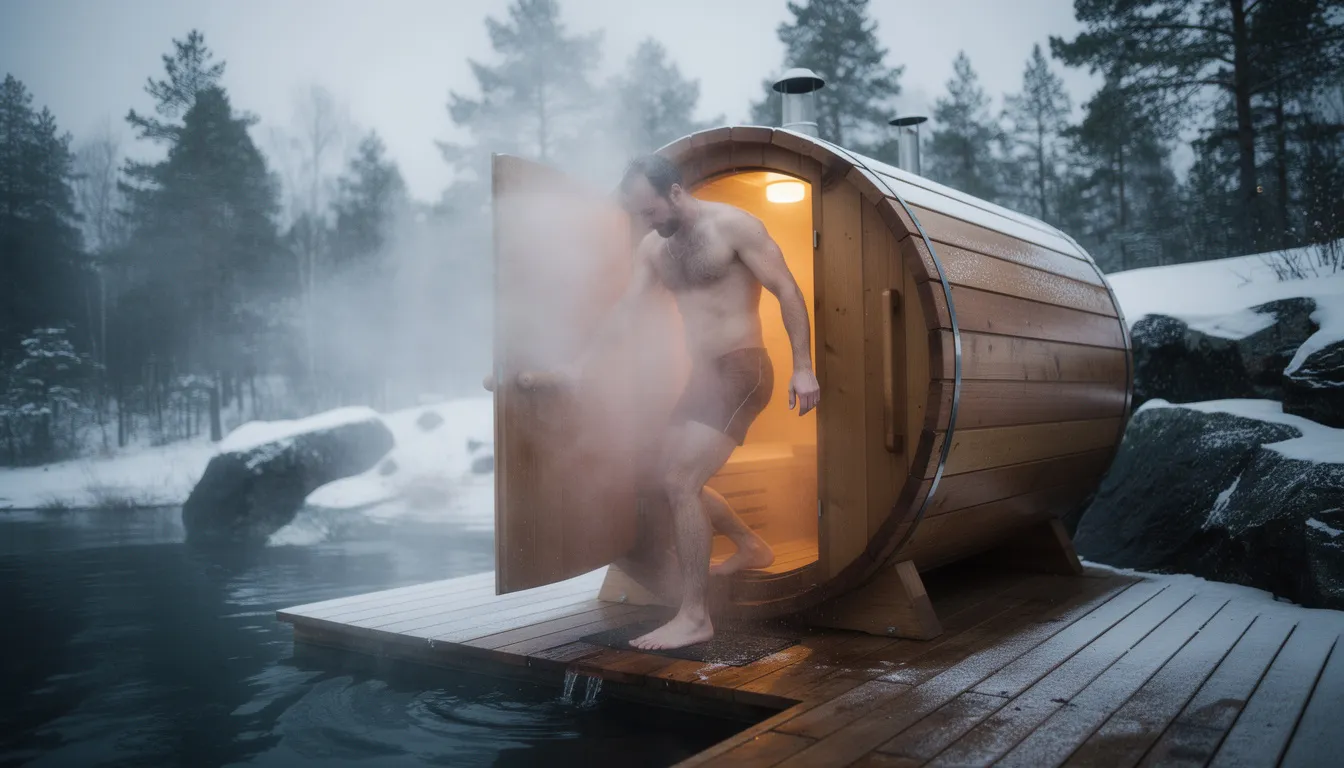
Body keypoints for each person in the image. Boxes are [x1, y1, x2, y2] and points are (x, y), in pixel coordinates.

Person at [553, 154, 820, 650]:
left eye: (650, 211)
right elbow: (626, 312)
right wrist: (582, 365)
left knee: (681, 480)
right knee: (661, 476)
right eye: (639, 216)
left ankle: (696, 616)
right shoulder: (655, 250)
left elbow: (785, 288)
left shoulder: (734, 226)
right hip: (702, 375)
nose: (647, 223)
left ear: (675, 192)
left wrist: (803, 366)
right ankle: (750, 545)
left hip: (743, 368)